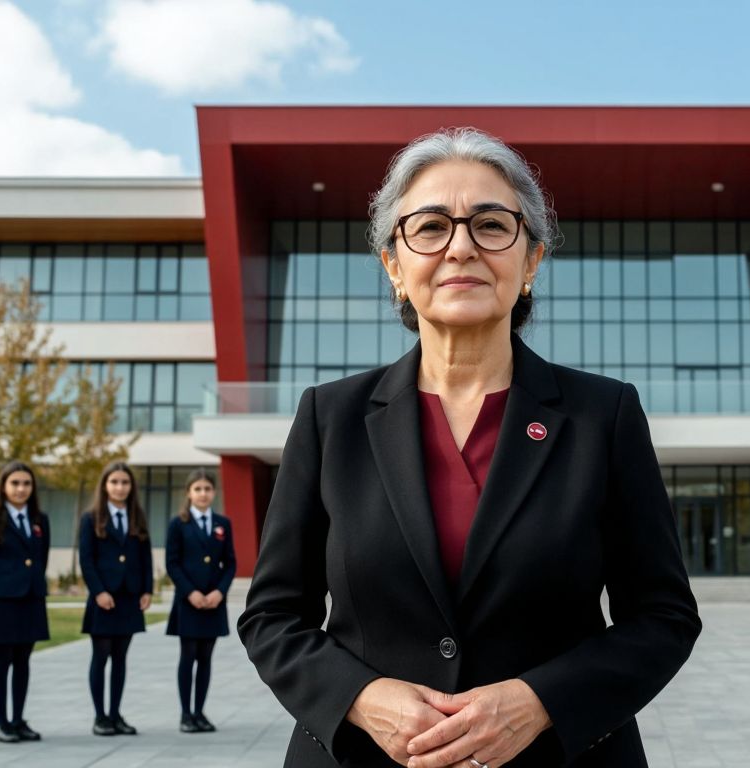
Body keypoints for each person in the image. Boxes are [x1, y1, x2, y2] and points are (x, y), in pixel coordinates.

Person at [238, 127, 701, 768]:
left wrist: (540, 701)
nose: (460, 247)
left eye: (490, 225)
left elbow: (664, 616)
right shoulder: (330, 417)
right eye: (430, 227)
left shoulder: (604, 416)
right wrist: (362, 697)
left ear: (531, 260)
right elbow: (272, 616)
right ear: (395, 267)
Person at [0, 461, 50, 743]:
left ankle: (18, 719)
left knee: (24, 660)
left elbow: (41, 559)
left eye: (26, 484)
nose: (21, 489)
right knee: (2, 660)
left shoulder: (40, 520)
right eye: (15, 483)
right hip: (4, 600)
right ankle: (1, 722)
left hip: (31, 599)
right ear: (3, 487)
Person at [78, 461, 153, 737]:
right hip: (103, 598)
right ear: (105, 485)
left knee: (121, 658)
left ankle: (115, 713)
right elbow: (86, 560)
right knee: (101, 657)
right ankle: (100, 717)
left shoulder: (137, 516)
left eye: (125, 482)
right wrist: (98, 591)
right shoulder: (91, 518)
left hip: (129, 597)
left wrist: (147, 589)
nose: (120, 487)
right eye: (114, 482)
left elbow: (145, 556)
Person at [166, 468, 236, 733]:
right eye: (197, 489)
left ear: (214, 492)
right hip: (189, 602)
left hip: (213, 602)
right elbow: (172, 563)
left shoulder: (222, 524)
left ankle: (200, 712)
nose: (203, 494)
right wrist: (191, 592)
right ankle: (186, 714)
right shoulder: (178, 524)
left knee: (206, 658)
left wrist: (220, 591)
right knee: (188, 656)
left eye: (207, 489)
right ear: (189, 493)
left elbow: (230, 563)